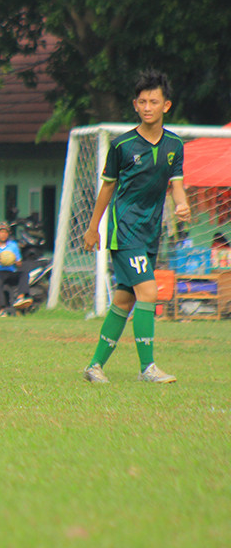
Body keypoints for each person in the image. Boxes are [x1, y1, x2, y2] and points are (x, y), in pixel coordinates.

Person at [82, 70, 189, 384]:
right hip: (125, 229)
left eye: (153, 101)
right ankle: (148, 368)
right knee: (149, 291)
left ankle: (94, 366)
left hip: (150, 232)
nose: (147, 107)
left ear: (166, 105)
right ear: (135, 105)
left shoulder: (174, 145)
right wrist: (93, 227)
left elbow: (177, 183)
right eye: (142, 101)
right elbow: (107, 189)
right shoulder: (122, 145)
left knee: (124, 300)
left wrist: (182, 203)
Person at [0, 221, 32, 316]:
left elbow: (19, 264)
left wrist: (14, 261)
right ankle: (2, 308)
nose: (3, 235)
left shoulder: (13, 246)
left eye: (5, 232)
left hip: (10, 271)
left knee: (24, 273)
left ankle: (21, 297)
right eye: (1, 232)